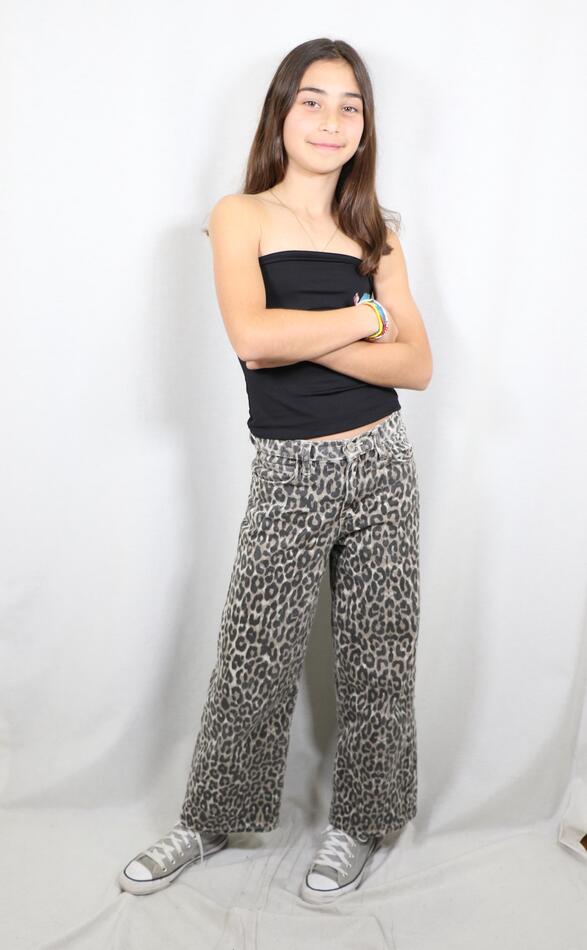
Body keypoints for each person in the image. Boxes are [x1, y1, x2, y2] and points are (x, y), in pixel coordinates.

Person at [118, 36, 432, 905]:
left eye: (349, 106)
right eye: (312, 101)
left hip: (382, 464)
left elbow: (416, 367)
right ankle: (209, 817)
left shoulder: (377, 233)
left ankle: (361, 822)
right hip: (290, 471)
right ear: (281, 113)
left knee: (380, 658)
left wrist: (310, 333)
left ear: (365, 126)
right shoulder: (240, 215)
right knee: (253, 657)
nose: (331, 120)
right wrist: (366, 319)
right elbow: (253, 341)